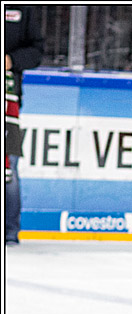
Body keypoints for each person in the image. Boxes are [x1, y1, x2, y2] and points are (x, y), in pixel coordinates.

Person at [5, 4, 44, 247]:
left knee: (8, 165)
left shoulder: (22, 9)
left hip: (8, 99)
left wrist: (11, 60)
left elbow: (37, 51)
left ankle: (9, 230)